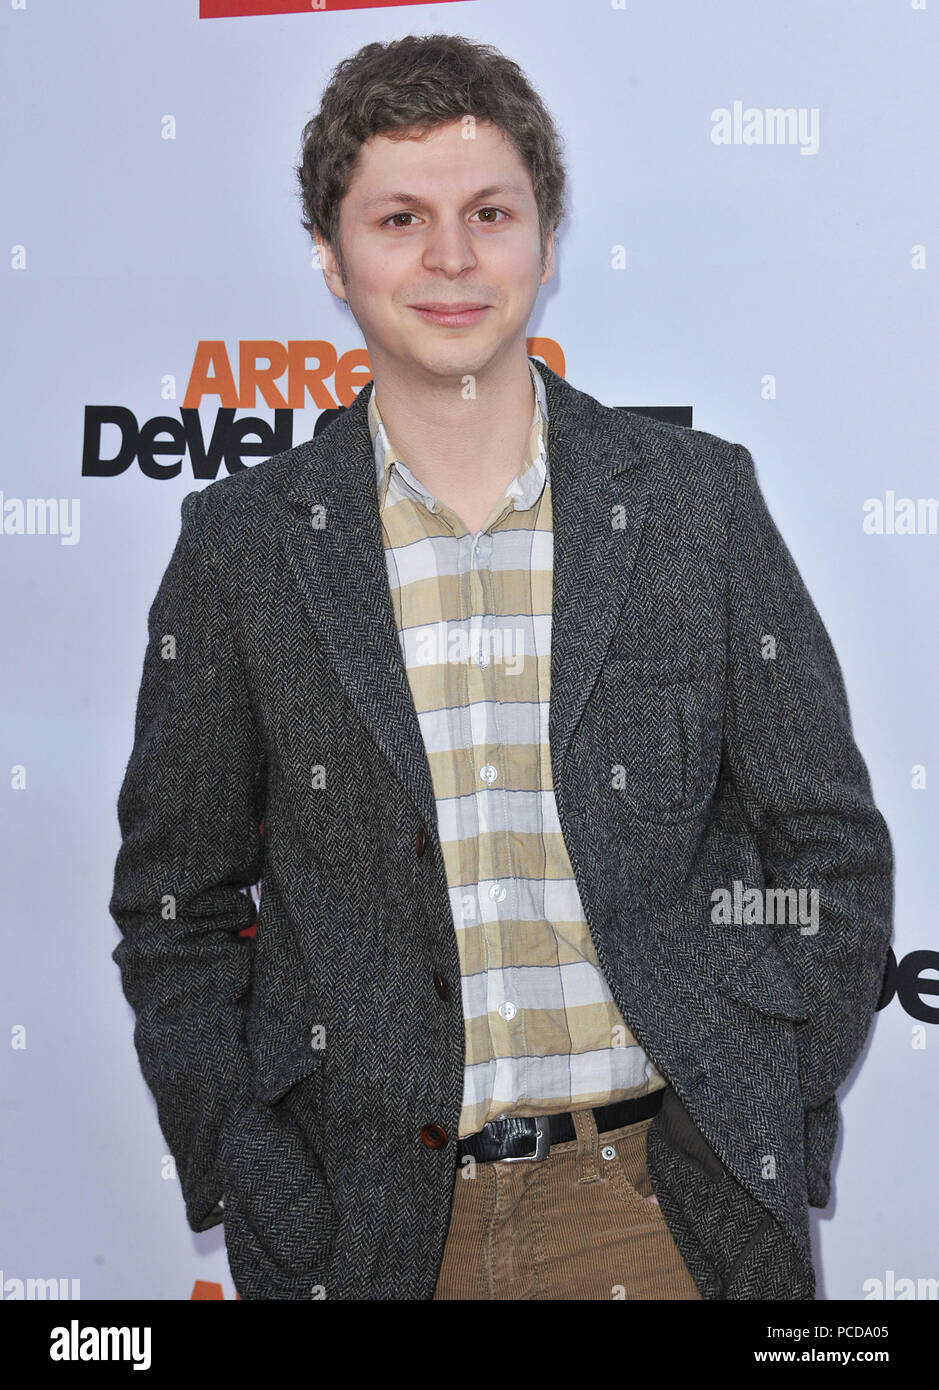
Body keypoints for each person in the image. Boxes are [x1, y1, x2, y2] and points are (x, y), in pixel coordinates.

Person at [109, 33, 894, 1301]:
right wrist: (250, 1159)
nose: (453, 259)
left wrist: (759, 1076)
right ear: (330, 254)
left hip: (666, 1209)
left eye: (490, 213)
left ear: (545, 234)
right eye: (400, 218)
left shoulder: (697, 506)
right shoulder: (245, 548)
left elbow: (827, 855)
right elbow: (176, 907)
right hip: (365, 1235)